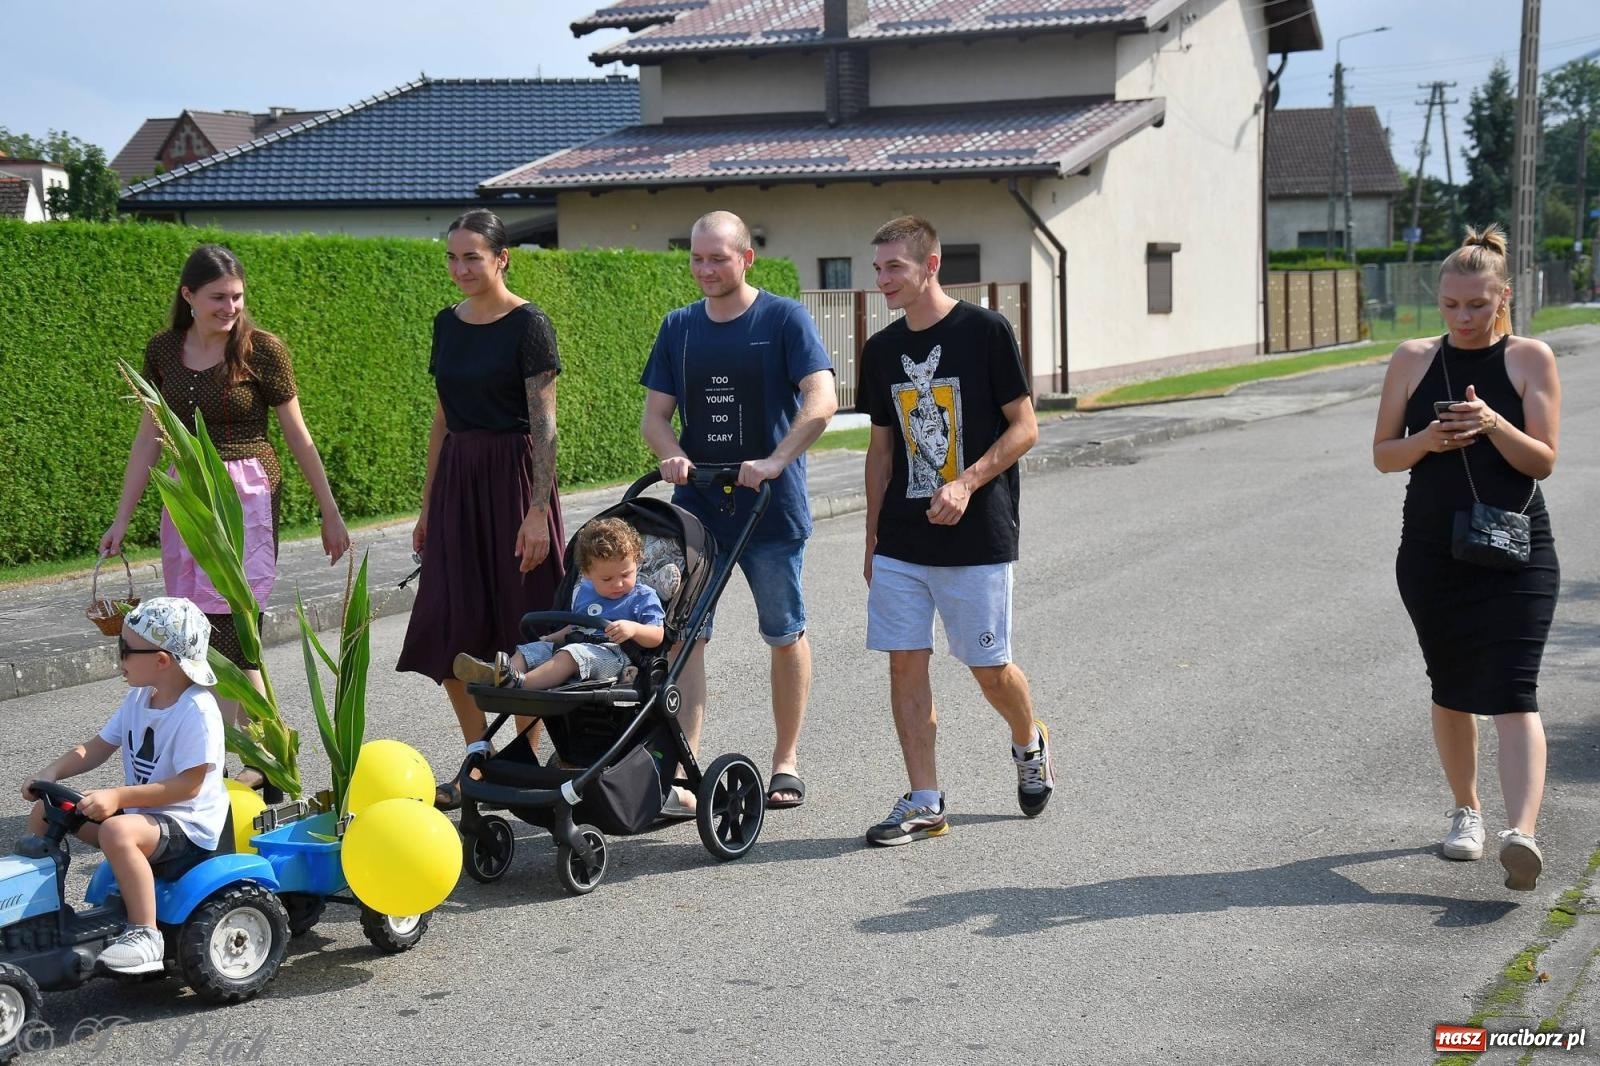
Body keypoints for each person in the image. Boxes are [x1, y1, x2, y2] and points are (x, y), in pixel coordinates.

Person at [101, 244, 349, 802]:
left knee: (238, 630)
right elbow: (148, 437)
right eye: (218, 297)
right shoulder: (163, 351)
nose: (230, 307)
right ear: (188, 296)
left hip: (248, 499)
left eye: (237, 296)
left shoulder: (263, 351)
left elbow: (297, 436)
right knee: (196, 632)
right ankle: (226, 758)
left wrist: (330, 511)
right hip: (187, 495)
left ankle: (265, 758)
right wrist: (121, 519)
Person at [1372, 223, 1561, 891]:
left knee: (1513, 690)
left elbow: (1543, 458)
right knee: (1451, 687)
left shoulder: (1529, 358)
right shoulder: (1413, 359)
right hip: (1431, 551)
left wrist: (1492, 424)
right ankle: (1467, 813)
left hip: (1517, 549)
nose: (1463, 317)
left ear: (1502, 296)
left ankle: (1523, 835)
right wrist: (1429, 438)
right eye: (1451, 305)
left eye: (1477, 305)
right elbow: (1384, 456)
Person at [858, 215, 1052, 847]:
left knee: (989, 668)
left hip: (977, 539)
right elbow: (881, 454)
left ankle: (1028, 740)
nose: (882, 279)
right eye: (879, 266)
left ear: (930, 265)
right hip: (903, 542)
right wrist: (872, 541)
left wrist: (966, 483)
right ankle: (924, 800)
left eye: (895, 267)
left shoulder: (986, 331)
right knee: (905, 665)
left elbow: (1024, 428)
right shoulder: (881, 350)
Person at [640, 210, 837, 811]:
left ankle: (786, 762)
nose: (705, 270)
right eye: (697, 259)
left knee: (782, 632)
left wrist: (776, 460)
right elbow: (655, 417)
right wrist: (672, 456)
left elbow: (822, 398)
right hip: (698, 509)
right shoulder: (679, 328)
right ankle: (683, 768)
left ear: (746, 257)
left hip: (768, 511)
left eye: (717, 258)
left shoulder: (783, 319)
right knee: (685, 638)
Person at [395, 209, 565, 810]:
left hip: (516, 484)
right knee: (450, 622)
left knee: (524, 623)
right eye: (452, 256)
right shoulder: (447, 324)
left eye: (472, 256)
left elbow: (544, 426)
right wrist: (426, 509)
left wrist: (539, 511)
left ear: (501, 258)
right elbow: (442, 419)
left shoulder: (530, 324)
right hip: (457, 487)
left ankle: (526, 760)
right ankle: (478, 756)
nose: (461, 267)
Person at [21, 597, 229, 974]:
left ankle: (146, 935)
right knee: (47, 809)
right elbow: (97, 748)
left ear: (161, 660)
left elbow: (188, 786)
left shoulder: (196, 710)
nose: (120, 659)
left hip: (188, 828)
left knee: (117, 831)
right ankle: (33, 912)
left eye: (125, 649)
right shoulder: (138, 699)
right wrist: (51, 774)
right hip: (144, 820)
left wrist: (117, 796)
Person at [452, 517, 665, 692]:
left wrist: (634, 628)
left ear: (637, 562)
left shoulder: (643, 596)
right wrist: (549, 639)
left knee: (569, 655)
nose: (618, 583)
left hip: (615, 656)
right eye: (607, 579)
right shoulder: (586, 592)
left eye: (625, 574)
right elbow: (575, 627)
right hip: (577, 643)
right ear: (588, 575)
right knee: (531, 650)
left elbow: (657, 636)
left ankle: (521, 683)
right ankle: (495, 675)